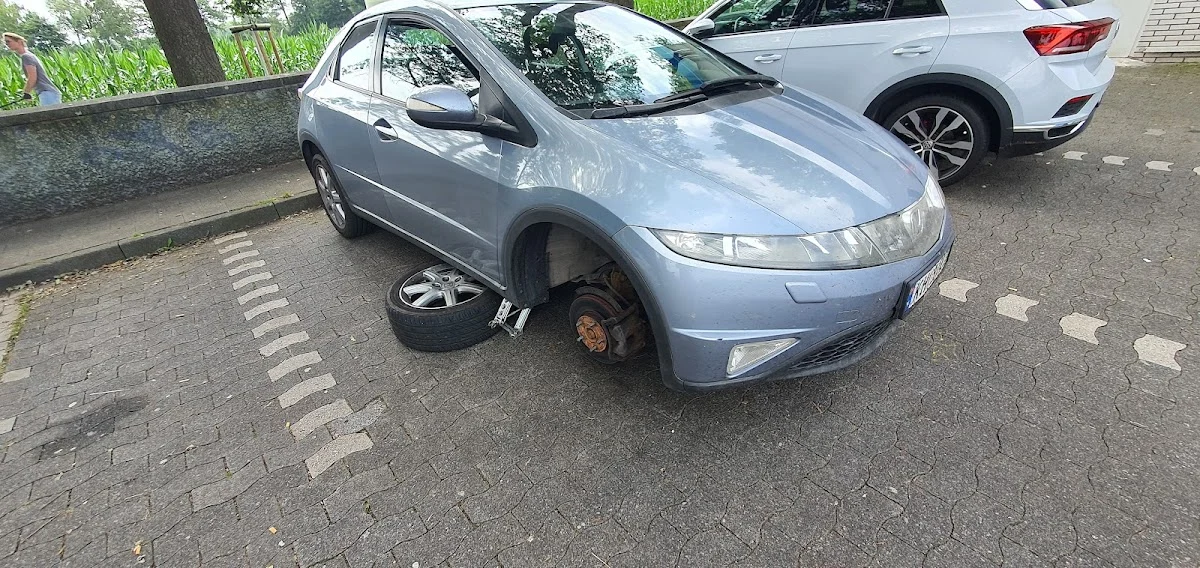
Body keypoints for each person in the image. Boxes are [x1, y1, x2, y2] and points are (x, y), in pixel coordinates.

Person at [3, 32, 61, 106]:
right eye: (5, 42)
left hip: (47, 92)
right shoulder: (29, 55)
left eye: (8, 41)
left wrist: (26, 92)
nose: (7, 44)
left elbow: (32, 77)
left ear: (19, 41)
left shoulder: (26, 57)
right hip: (48, 92)